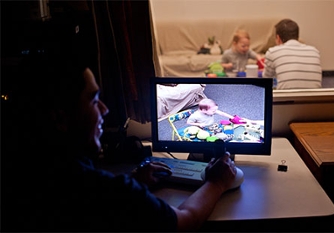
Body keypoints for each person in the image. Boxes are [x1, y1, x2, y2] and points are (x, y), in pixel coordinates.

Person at [3, 30, 237, 232]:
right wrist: (216, 183)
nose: (105, 110)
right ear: (59, 118)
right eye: (94, 101)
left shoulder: (21, 174)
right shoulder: (108, 191)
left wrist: (131, 180)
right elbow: (184, 222)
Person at [262, 18, 322, 89]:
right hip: (314, 99)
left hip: (286, 98)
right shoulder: (314, 51)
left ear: (278, 38)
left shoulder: (272, 52)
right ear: (297, 37)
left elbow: (266, 81)